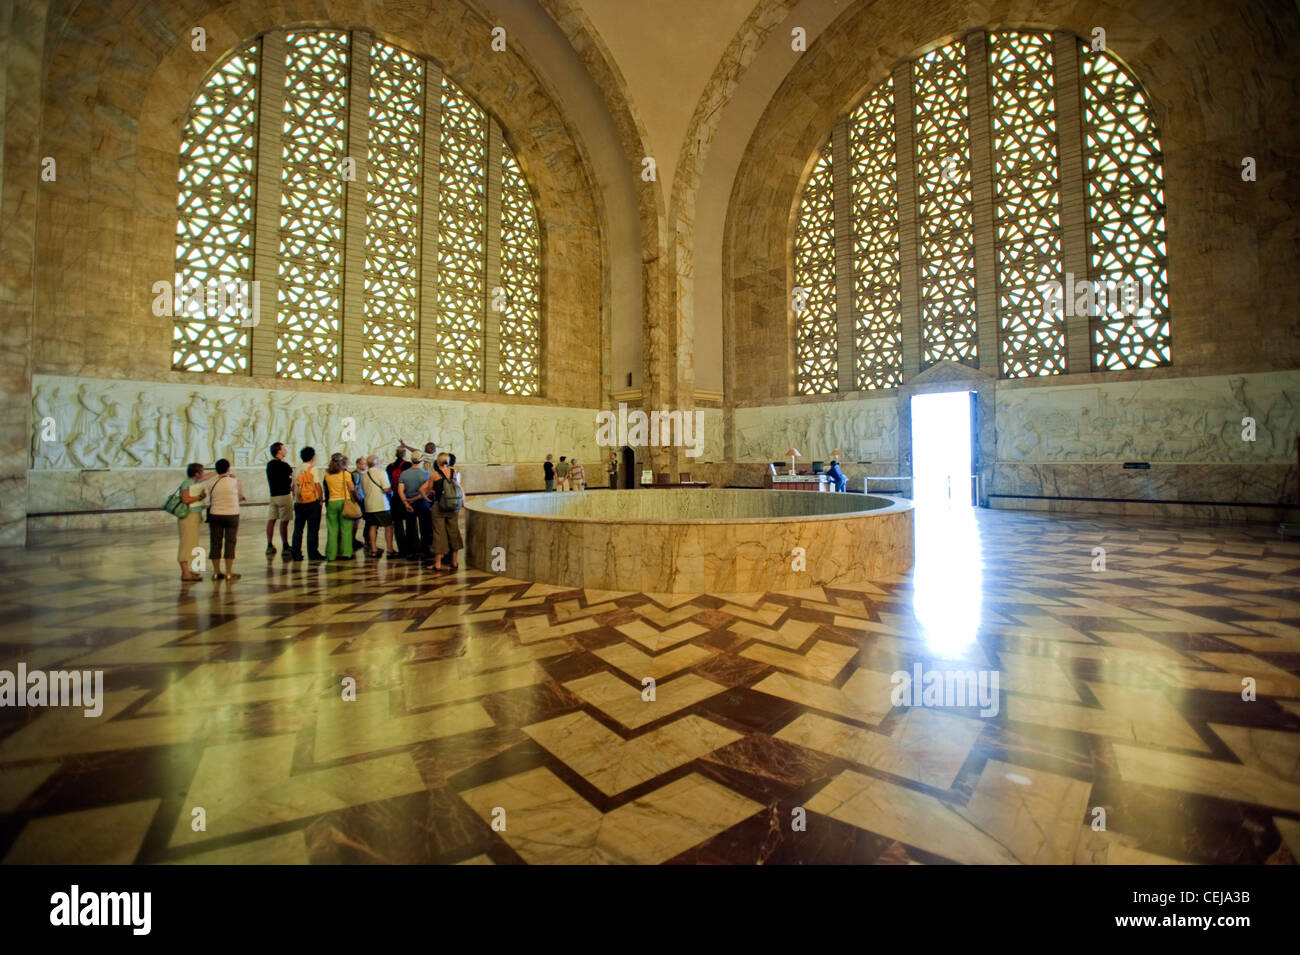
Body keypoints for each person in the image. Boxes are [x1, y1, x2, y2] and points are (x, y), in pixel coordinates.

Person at [202, 458, 246, 581]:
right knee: (230, 542)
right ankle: (228, 572)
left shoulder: (211, 482)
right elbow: (240, 497)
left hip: (215, 514)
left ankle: (216, 572)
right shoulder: (235, 481)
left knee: (215, 542)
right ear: (228, 468)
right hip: (231, 514)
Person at [423, 452, 463, 573]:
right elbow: (457, 486)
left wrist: (429, 495)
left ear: (437, 462)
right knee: (453, 531)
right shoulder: (453, 472)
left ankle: (438, 563)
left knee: (439, 533)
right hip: (453, 506)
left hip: (439, 506)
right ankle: (454, 561)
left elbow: (429, 489)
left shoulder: (434, 474)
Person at [290, 446, 325, 561]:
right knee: (313, 529)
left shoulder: (296, 469)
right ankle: (313, 553)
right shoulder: (312, 468)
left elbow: (293, 486)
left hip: (299, 502)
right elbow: (317, 485)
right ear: (313, 457)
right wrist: (320, 499)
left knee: (298, 529)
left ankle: (296, 552)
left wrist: (296, 497)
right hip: (312, 502)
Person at [175, 462, 207, 582]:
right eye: (201, 471)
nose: (203, 473)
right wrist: (199, 497)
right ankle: (185, 572)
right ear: (196, 473)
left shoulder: (194, 483)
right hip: (188, 517)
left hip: (194, 516)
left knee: (191, 544)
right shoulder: (187, 483)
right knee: (186, 544)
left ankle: (188, 570)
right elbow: (185, 499)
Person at [323, 452, 358, 560]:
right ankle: (346, 553)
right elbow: (352, 489)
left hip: (332, 502)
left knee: (332, 529)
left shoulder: (327, 475)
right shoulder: (345, 474)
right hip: (344, 502)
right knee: (346, 529)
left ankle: (331, 554)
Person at [397, 452, 432, 559]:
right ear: (421, 461)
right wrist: (414, 499)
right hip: (422, 503)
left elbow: (400, 490)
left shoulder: (404, 474)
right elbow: (426, 492)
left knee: (410, 527)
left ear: (411, 460)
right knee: (424, 527)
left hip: (408, 503)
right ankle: (425, 550)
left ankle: (411, 551)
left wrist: (406, 502)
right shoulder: (426, 474)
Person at [361, 454, 395, 558]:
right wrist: (391, 490)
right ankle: (390, 549)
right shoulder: (381, 473)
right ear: (377, 463)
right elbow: (385, 489)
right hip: (381, 504)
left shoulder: (364, 475)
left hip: (369, 504)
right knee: (388, 526)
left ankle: (374, 549)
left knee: (372, 526)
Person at [265, 442, 292, 558]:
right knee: (284, 521)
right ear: (279, 451)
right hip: (284, 495)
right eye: (284, 448)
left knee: (271, 520)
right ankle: (285, 545)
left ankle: (269, 544)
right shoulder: (284, 466)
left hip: (273, 496)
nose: (285, 450)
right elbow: (289, 480)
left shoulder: (270, 465)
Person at [386, 448, 412, 557]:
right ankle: (411, 547)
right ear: (405, 455)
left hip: (395, 497)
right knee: (410, 523)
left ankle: (402, 548)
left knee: (398, 524)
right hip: (407, 497)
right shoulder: (408, 465)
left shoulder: (389, 467)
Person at [351, 456, 368, 550]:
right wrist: (358, 499)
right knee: (356, 521)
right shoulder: (356, 475)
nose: (365, 465)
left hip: (362, 499)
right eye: (363, 463)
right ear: (358, 464)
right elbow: (355, 489)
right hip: (359, 500)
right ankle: (353, 540)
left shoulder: (360, 474)